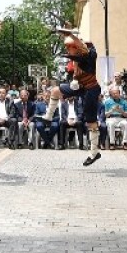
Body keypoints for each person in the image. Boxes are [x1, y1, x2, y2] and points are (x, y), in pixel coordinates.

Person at [41, 32, 104, 165]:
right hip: (80, 87)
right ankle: (48, 117)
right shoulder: (76, 57)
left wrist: (71, 34)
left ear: (76, 47)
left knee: (91, 122)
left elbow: (82, 47)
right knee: (55, 91)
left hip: (91, 90)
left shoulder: (89, 55)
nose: (67, 50)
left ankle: (94, 153)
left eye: (69, 47)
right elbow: (76, 71)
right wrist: (74, 80)